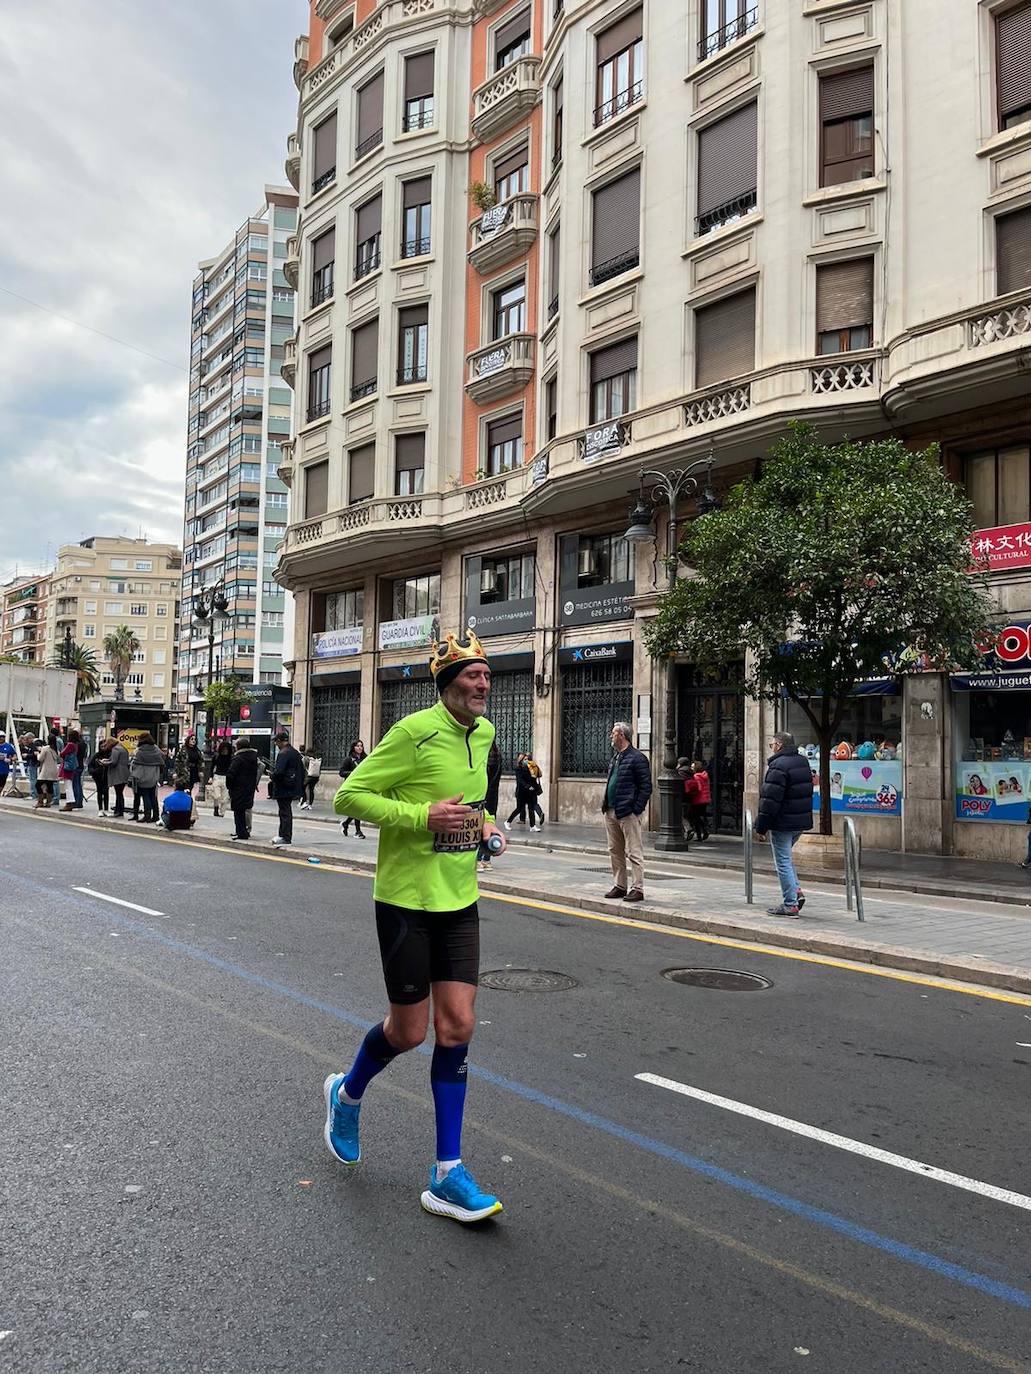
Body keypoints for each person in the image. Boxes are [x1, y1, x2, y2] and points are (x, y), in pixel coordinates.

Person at [327, 629, 505, 1225]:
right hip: (405, 900)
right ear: (446, 683)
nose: (483, 683)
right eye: (472, 675)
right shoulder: (412, 732)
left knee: (457, 1027)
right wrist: (418, 814)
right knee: (409, 1032)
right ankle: (346, 1095)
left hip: (459, 900)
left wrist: (487, 830)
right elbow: (349, 797)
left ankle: (447, 1174)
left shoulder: (486, 734)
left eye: (486, 674)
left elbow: (475, 805)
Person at [754, 731, 814, 917]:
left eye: (772, 745)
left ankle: (790, 904)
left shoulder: (778, 765)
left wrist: (761, 827)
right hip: (800, 821)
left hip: (783, 822)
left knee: (783, 862)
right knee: (787, 859)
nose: (771, 748)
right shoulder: (803, 761)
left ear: (779, 745)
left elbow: (770, 801)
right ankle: (796, 892)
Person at [601, 721, 652, 903]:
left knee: (633, 851)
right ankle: (620, 885)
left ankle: (637, 888)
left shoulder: (637, 758)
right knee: (615, 850)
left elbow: (646, 787)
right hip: (611, 810)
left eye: (613, 733)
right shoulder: (616, 757)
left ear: (622, 735)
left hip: (628, 812)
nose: (611, 736)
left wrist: (636, 809)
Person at [270, 730, 305, 847]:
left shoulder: (283, 753)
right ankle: (283, 835)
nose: (276, 745)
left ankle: (285, 837)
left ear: (280, 741)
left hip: (283, 787)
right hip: (292, 786)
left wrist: (272, 775)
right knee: (286, 811)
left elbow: (279, 772)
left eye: (276, 742)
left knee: (284, 812)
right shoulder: (295, 752)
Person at [226, 735, 261, 840]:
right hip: (249, 787)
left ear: (239, 747)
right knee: (245, 809)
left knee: (238, 812)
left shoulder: (238, 758)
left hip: (238, 788)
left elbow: (231, 774)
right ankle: (245, 831)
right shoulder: (253, 758)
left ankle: (241, 832)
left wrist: (229, 786)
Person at [478, 742, 503, 872]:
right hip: (493, 797)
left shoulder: (483, 760)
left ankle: (477, 860)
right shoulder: (498, 758)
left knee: (479, 828)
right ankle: (487, 859)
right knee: (490, 826)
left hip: (483, 796)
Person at [129, 733, 164, 823]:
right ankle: (155, 815)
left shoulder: (140, 751)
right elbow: (162, 758)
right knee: (153, 796)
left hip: (143, 776)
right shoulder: (156, 749)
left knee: (145, 796)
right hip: (154, 776)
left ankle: (147, 815)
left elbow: (135, 763)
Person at [337, 741, 367, 837]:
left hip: (362, 785)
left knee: (357, 808)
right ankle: (358, 831)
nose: (360, 748)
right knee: (357, 808)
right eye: (357, 746)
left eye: (361, 746)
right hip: (352, 786)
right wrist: (352, 773)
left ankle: (346, 823)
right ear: (353, 747)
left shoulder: (365, 759)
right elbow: (341, 772)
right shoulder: (349, 760)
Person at [58, 730, 83, 811]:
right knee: (71, 784)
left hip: (68, 766)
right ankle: (72, 802)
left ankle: (69, 802)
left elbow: (62, 753)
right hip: (73, 765)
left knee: (68, 785)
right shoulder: (76, 745)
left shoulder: (70, 745)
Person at [209, 740, 234, 818]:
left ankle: (221, 812)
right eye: (223, 749)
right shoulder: (216, 757)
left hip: (226, 778)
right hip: (217, 776)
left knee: (225, 797)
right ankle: (216, 808)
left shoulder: (231, 758)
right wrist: (210, 777)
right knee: (216, 795)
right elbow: (211, 767)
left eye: (226, 749)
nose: (225, 751)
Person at [107, 737, 131, 817]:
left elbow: (113, 762)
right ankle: (120, 810)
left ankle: (118, 811)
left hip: (117, 773)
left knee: (118, 793)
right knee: (120, 793)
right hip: (125, 773)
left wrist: (105, 762)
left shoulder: (115, 749)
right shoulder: (123, 748)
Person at [88, 738, 112, 816]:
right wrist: (94, 772)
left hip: (107, 776)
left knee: (106, 792)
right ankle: (100, 809)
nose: (103, 748)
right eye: (101, 746)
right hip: (98, 776)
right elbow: (90, 765)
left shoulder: (110, 754)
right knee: (100, 792)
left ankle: (106, 809)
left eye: (104, 746)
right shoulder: (97, 755)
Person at [689, 757, 711, 842]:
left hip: (698, 800)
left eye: (692, 767)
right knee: (697, 816)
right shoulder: (704, 776)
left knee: (694, 817)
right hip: (705, 799)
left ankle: (703, 831)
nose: (691, 768)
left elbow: (697, 788)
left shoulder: (696, 777)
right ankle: (702, 833)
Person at [678, 758, 699, 842]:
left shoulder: (681, 772)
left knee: (680, 815)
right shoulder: (690, 772)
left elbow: (678, 785)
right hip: (690, 797)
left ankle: (688, 829)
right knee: (686, 815)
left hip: (682, 797)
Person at [37, 736, 61, 808]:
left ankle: (40, 801)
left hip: (46, 770)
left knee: (38, 785)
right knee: (50, 785)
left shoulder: (45, 748)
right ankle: (48, 802)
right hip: (53, 770)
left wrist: (38, 754)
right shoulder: (56, 750)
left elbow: (40, 759)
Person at [300, 745, 322, 810]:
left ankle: (304, 802)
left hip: (308, 777)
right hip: (315, 777)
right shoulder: (316, 759)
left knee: (302, 788)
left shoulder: (306, 758)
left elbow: (302, 767)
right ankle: (310, 804)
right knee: (311, 790)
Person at [21, 734, 39, 802]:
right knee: (33, 779)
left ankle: (33, 794)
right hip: (32, 764)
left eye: (28, 739)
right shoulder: (31, 746)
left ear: (31, 738)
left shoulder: (33, 746)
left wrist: (27, 755)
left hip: (33, 764)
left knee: (33, 779)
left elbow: (35, 755)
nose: (26, 740)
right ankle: (34, 794)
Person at [0, 732, 16, 798]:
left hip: (4, 769)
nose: (1, 738)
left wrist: (10, 760)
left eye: (2, 736)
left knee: (2, 785)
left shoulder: (9, 746)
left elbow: (15, 756)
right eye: (0, 737)